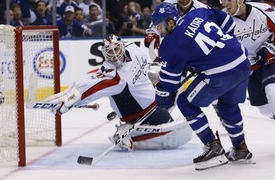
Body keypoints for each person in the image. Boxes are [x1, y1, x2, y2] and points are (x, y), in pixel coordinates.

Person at [43, 34, 192, 151]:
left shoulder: (134, 49)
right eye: (110, 52)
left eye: (116, 49)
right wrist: (74, 97)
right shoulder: (111, 72)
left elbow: (145, 69)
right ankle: (127, 127)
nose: (114, 55)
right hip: (135, 115)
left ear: (122, 46)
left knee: (173, 137)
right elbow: (92, 85)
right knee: (165, 139)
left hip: (156, 107)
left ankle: (130, 130)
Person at [150, 2, 252, 170]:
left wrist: (160, 90)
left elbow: (170, 84)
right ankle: (240, 148)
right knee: (227, 104)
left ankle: (213, 147)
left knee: (184, 101)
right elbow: (228, 21)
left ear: (170, 22)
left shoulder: (169, 45)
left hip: (221, 72)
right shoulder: (196, 14)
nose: (159, 31)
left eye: (160, 26)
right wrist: (219, 48)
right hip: (241, 60)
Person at [220, 0, 275, 152]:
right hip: (251, 65)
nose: (226, 4)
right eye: (223, 0)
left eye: (229, 0)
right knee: (264, 109)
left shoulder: (264, 11)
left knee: (274, 90)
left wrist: (270, 47)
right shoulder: (223, 21)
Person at [144, 0, 209, 54]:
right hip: (172, 45)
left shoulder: (201, 8)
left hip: (193, 47)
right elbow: (156, 20)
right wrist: (153, 33)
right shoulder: (168, 3)